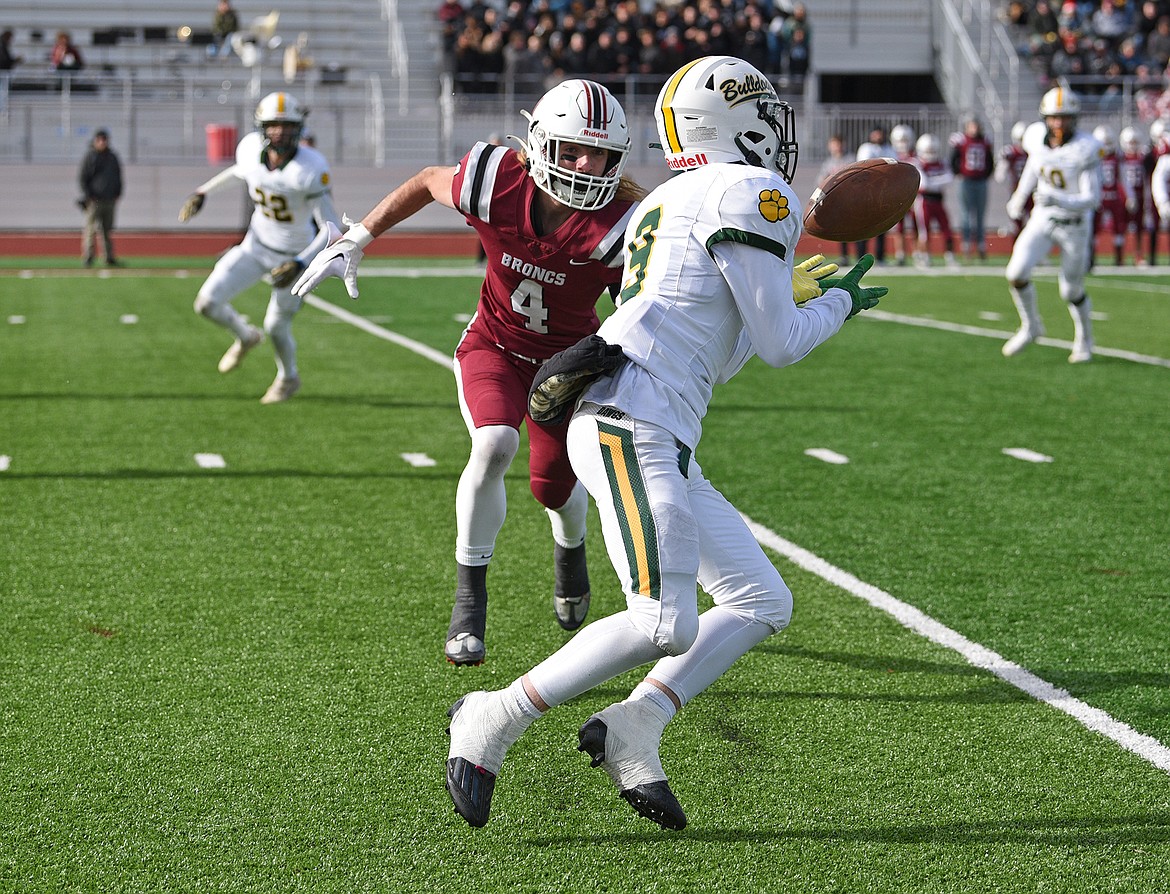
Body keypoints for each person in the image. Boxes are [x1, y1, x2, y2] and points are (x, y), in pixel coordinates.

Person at [442, 55, 887, 831]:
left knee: (759, 600)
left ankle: (635, 723)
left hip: (648, 419)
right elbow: (779, 347)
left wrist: (788, 291)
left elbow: (719, 339)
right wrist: (835, 307)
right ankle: (493, 716)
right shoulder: (753, 190)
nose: (777, 131)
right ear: (738, 122)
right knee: (662, 620)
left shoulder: (671, 196)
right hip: (632, 421)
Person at [291, 80, 645, 667]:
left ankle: (570, 547)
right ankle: (470, 600)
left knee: (553, 489)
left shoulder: (621, 224)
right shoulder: (498, 180)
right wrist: (359, 236)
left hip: (567, 367)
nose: (590, 165)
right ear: (539, 145)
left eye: (603, 153)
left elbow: (641, 304)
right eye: (575, 150)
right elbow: (429, 180)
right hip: (496, 347)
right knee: (494, 443)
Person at [178, 91, 340, 404]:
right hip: (255, 245)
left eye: (287, 125)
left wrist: (301, 262)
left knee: (277, 326)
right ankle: (245, 336)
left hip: (293, 256)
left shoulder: (310, 169)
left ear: (299, 127)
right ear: (261, 128)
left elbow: (332, 229)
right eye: (273, 125)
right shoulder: (251, 150)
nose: (280, 131)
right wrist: (203, 191)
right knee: (206, 304)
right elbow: (240, 172)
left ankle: (288, 378)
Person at [1003, 85, 1102, 364]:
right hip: (1043, 218)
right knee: (1016, 272)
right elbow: (1035, 165)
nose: (1059, 123)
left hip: (1074, 224)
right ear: (1045, 118)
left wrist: (1057, 197)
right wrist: (1019, 197)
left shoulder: (1086, 148)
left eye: (1065, 117)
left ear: (1075, 118)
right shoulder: (1035, 137)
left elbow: (1091, 199)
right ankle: (1031, 325)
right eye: (1054, 117)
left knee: (1070, 290)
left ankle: (1084, 339)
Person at [949, 115, 994, 262]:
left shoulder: (985, 141)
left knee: (980, 216)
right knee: (966, 215)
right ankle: (966, 246)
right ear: (967, 128)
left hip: (981, 181)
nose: (974, 129)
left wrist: (986, 175)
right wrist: (958, 173)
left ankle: (981, 246)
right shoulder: (961, 141)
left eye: (976, 126)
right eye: (971, 126)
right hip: (966, 181)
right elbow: (953, 159)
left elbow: (990, 161)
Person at [78, 130, 123, 268]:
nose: (102, 142)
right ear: (95, 141)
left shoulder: (112, 157)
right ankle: (88, 257)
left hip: (109, 200)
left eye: (104, 139)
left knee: (106, 230)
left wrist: (117, 193)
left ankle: (108, 257)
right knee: (90, 229)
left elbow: (118, 177)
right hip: (94, 200)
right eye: (99, 139)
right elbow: (83, 177)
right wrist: (88, 195)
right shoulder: (90, 157)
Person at [912, 133, 957, 268]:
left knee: (947, 229)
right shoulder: (917, 163)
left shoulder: (942, 162)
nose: (930, 153)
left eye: (932, 150)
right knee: (924, 232)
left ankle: (950, 257)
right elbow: (924, 184)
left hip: (938, 201)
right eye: (928, 150)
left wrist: (934, 181)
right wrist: (938, 180)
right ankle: (925, 257)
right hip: (924, 201)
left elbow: (950, 178)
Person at [854, 126, 895, 262]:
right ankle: (861, 256)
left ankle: (880, 256)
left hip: (882, 192)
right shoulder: (866, 148)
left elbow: (894, 166)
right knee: (863, 226)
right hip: (867, 192)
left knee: (881, 226)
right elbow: (866, 166)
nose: (878, 137)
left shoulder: (889, 148)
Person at [1091, 125, 1128, 267]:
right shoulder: (1093, 158)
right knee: (1094, 228)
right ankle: (1091, 258)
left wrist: (1129, 196)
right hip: (1099, 197)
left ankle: (1119, 257)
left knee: (1119, 227)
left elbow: (1123, 178)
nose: (1106, 146)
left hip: (1114, 197)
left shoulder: (1117, 157)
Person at [816, 134, 855, 264]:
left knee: (857, 226)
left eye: (838, 143)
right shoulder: (828, 163)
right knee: (841, 228)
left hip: (851, 198)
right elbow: (822, 180)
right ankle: (844, 256)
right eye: (833, 144)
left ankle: (861, 255)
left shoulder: (850, 159)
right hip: (837, 200)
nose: (836, 147)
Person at [1118, 125, 1150, 265]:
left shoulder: (1142, 157)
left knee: (1139, 227)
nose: (1133, 145)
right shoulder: (1121, 158)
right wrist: (1126, 196)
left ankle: (1138, 255)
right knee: (1122, 226)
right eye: (1131, 142)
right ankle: (1121, 256)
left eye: (1135, 142)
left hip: (1140, 195)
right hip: (1125, 197)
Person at [995, 121, 1031, 244]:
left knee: (1034, 222)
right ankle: (1017, 248)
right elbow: (1000, 175)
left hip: (1032, 191)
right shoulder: (1010, 152)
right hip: (1017, 190)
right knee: (1017, 222)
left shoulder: (1033, 152)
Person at [890, 124, 918, 265]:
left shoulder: (916, 157)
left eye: (905, 140)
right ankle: (900, 254)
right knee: (899, 227)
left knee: (915, 225)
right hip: (897, 196)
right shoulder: (891, 156)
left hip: (913, 196)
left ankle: (917, 253)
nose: (903, 144)